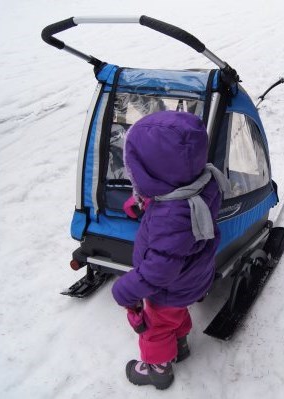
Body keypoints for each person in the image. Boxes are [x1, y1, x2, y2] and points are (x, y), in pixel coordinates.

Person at [111, 111, 227, 390]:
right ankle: (181, 345)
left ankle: (157, 369)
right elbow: (174, 207)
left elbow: (158, 271)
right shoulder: (203, 182)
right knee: (175, 314)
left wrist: (125, 289)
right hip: (193, 278)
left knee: (155, 326)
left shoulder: (171, 218)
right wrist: (145, 203)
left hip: (169, 287)